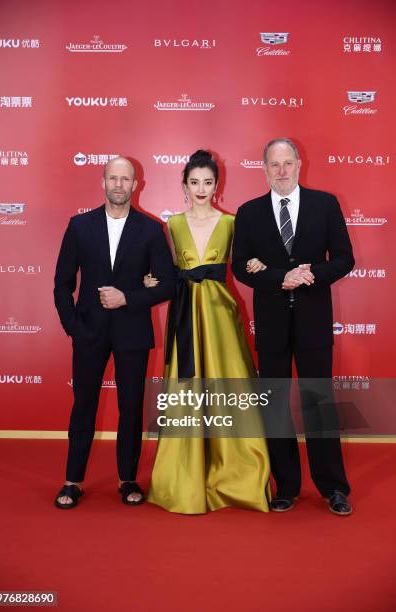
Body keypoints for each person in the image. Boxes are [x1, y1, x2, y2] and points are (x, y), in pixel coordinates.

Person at [232, 138, 355, 516]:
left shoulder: (325, 204)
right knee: (274, 406)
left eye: (287, 163)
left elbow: (345, 259)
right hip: (270, 324)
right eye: (274, 164)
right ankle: (285, 485)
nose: (281, 171)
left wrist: (310, 275)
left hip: (313, 321)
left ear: (299, 164)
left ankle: (333, 487)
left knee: (319, 403)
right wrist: (278, 278)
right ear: (264, 168)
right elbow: (239, 266)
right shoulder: (249, 212)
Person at [145, 150, 271, 514]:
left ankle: (238, 476)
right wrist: (150, 279)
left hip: (219, 313)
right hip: (185, 312)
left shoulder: (232, 223)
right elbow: (165, 271)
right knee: (187, 390)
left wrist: (259, 262)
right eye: (195, 182)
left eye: (209, 182)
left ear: (218, 185)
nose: (202, 189)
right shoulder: (172, 226)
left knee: (230, 385)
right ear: (184, 185)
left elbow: (251, 257)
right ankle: (181, 478)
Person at [53, 156, 176, 509]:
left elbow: (167, 284)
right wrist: (73, 327)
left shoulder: (152, 229)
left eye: (126, 179)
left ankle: (128, 479)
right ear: (103, 182)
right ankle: (72, 480)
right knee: (84, 406)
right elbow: (62, 284)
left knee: (131, 407)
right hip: (88, 331)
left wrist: (128, 298)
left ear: (136, 185)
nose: (119, 185)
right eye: (113, 178)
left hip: (133, 331)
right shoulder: (80, 226)